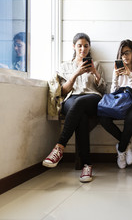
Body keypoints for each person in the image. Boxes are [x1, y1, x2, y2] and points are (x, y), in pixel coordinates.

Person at [42, 33, 106, 183]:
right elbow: (63, 91)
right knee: (81, 116)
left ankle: (59, 147)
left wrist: (95, 73)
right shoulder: (65, 66)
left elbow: (103, 89)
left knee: (81, 104)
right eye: (79, 45)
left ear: (89, 48)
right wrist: (75, 74)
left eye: (86, 46)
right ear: (74, 46)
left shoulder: (95, 64)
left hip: (92, 98)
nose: (83, 48)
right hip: (72, 99)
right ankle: (87, 165)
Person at [99, 39, 132, 169]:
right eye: (122, 53)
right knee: (103, 117)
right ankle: (127, 144)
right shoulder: (117, 69)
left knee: (131, 118)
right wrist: (115, 76)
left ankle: (121, 150)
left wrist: (130, 75)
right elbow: (113, 93)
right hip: (120, 102)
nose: (124, 56)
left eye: (127, 52)